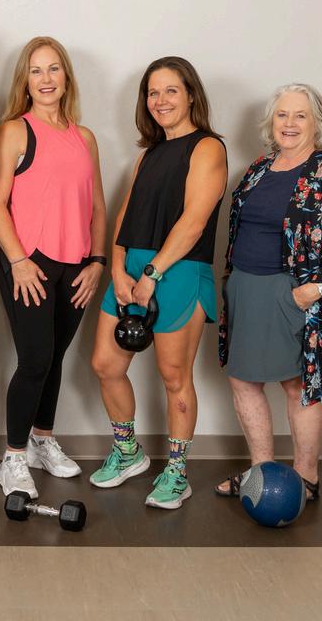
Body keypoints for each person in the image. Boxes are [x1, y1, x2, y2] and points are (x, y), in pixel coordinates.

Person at [214, 83, 322, 502]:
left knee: (298, 386)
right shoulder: (259, 169)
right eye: (282, 114)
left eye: (300, 115)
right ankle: (261, 474)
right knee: (244, 380)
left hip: (294, 292)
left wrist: (309, 292)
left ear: (318, 123)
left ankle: (305, 479)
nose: (290, 123)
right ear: (271, 122)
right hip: (246, 286)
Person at [90, 56, 227, 510]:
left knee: (173, 375)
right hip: (132, 269)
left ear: (191, 95)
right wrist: (118, 267)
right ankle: (128, 452)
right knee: (106, 364)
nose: (161, 100)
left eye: (171, 90)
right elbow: (126, 215)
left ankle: (177, 472)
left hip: (180, 269)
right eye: (153, 92)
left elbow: (194, 221)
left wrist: (152, 275)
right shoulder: (147, 155)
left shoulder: (208, 148)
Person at [0, 37, 107, 498]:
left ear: (66, 77)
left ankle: (42, 440)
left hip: (76, 265)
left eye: (53, 69)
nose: (45, 79)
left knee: (54, 357)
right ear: (25, 80)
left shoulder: (85, 137)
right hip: (29, 263)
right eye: (36, 70)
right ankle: (13, 458)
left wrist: (97, 263)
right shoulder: (15, 131)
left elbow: (97, 206)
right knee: (35, 359)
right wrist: (17, 260)